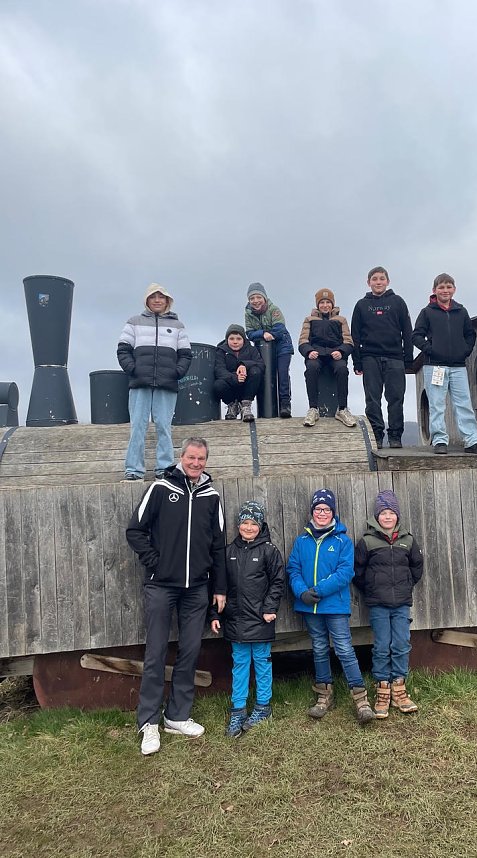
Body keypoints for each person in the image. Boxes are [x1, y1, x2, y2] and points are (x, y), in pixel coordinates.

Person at [126, 437, 226, 756]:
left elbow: (219, 547)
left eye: (201, 459)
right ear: (181, 457)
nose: (196, 463)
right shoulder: (160, 489)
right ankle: (149, 723)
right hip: (161, 586)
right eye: (191, 457)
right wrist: (157, 563)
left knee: (190, 650)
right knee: (155, 653)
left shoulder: (211, 497)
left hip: (197, 588)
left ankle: (177, 715)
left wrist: (219, 588)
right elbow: (135, 531)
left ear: (206, 462)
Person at [287, 488, 374, 724]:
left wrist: (319, 590)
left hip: (334, 606)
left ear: (333, 512)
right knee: (319, 648)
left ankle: (361, 699)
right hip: (309, 607)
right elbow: (293, 569)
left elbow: (346, 572)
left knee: (344, 649)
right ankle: (324, 696)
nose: (322, 513)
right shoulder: (302, 540)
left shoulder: (342, 541)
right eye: (318, 509)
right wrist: (301, 592)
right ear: (312, 512)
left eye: (326, 509)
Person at [211, 500, 285, 738]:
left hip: (261, 619)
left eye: (254, 523)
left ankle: (263, 706)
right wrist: (215, 613)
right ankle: (238, 709)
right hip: (235, 620)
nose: (249, 527)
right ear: (238, 524)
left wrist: (269, 607)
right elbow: (218, 586)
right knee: (240, 664)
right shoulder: (228, 552)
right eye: (245, 522)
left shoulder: (269, 551)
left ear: (261, 525)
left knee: (262, 662)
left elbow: (277, 582)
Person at [354, 490, 423, 718]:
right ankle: (383, 689)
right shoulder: (367, 541)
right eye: (383, 513)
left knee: (401, 644)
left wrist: (405, 585)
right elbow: (358, 571)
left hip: (402, 602)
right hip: (378, 604)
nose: (387, 517)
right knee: (382, 646)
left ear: (397, 516)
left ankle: (399, 688)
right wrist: (372, 588)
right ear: (376, 516)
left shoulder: (408, 540)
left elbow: (416, 567)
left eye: (391, 512)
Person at [117, 283, 192, 480]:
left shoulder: (178, 326)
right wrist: (133, 369)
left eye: (161, 297)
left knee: (164, 427)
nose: (157, 300)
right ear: (147, 300)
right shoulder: (134, 322)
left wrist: (177, 372)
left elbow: (185, 355)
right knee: (137, 427)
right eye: (153, 297)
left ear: (167, 301)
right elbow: (123, 350)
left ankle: (164, 469)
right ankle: (134, 470)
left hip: (167, 384)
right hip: (140, 383)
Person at [412, 274, 477, 454]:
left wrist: (465, 350)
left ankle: (472, 440)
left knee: (464, 403)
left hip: (458, 366)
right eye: (441, 287)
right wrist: (430, 349)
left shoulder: (461, 311)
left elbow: (470, 334)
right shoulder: (427, 312)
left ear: (454, 289)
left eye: (448, 287)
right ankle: (439, 441)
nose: (445, 290)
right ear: (434, 290)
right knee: (437, 404)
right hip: (435, 366)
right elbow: (416, 336)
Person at [351, 266, 414, 449]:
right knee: (372, 399)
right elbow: (355, 336)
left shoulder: (398, 302)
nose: (378, 282)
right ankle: (376, 435)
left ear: (388, 281)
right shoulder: (361, 305)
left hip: (395, 358)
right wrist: (357, 361)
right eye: (374, 279)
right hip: (370, 357)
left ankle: (395, 436)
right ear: (368, 282)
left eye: (381, 279)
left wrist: (408, 359)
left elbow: (407, 332)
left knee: (396, 398)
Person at [298, 288, 357, 428]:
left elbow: (348, 341)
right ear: (318, 304)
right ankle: (313, 408)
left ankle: (342, 409)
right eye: (322, 302)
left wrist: (341, 352)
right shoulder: (309, 320)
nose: (325, 305)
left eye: (328, 302)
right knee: (311, 368)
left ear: (332, 304)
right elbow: (303, 341)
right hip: (316, 354)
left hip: (335, 354)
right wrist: (309, 352)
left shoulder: (341, 320)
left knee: (342, 369)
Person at [244, 282, 294, 418]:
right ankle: (265, 408)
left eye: (258, 297)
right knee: (264, 374)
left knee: (282, 373)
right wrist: (263, 334)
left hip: (282, 345)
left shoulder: (273, 309)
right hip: (263, 348)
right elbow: (249, 333)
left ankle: (285, 404)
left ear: (264, 298)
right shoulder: (248, 314)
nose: (255, 301)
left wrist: (269, 334)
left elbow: (280, 328)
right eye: (252, 298)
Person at [213, 324, 265, 422]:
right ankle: (232, 405)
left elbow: (261, 365)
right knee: (218, 385)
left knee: (256, 371)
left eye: (238, 339)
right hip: (231, 386)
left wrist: (244, 365)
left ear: (243, 340)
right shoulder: (221, 351)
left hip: (247, 387)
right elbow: (219, 370)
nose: (235, 342)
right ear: (227, 339)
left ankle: (246, 406)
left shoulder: (251, 349)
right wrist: (234, 377)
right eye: (231, 339)